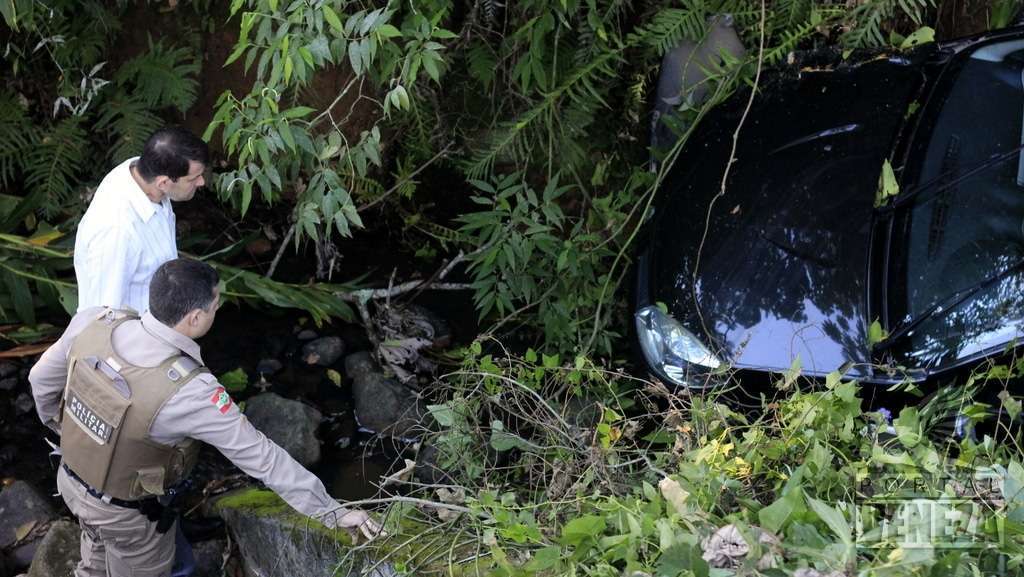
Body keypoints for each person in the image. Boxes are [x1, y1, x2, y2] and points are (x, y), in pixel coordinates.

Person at [29, 258, 380, 577]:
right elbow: (262, 457)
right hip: (126, 517)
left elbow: (40, 381)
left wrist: (71, 432)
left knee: (94, 561)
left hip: (71, 483)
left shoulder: (95, 322)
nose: (217, 310)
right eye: (215, 306)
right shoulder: (191, 392)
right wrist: (331, 512)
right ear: (195, 318)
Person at [74, 127, 209, 314]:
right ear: (163, 182)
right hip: (135, 338)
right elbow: (101, 316)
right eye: (194, 178)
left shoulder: (143, 172)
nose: (202, 182)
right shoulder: (116, 231)